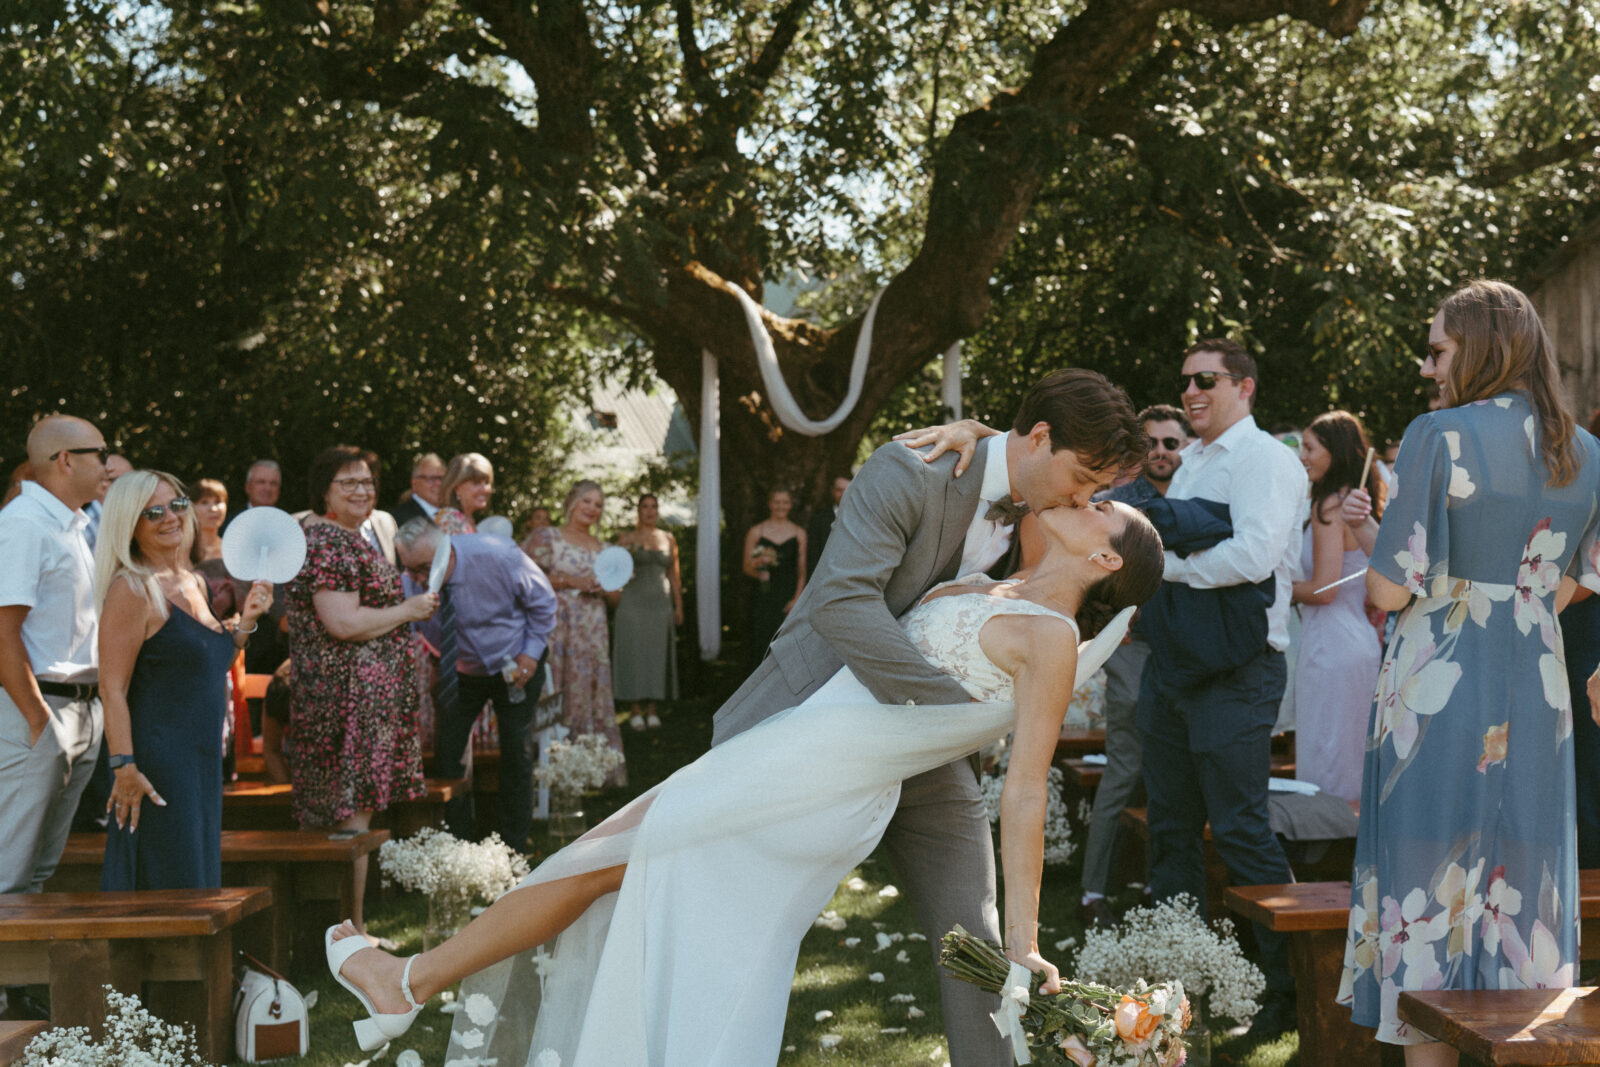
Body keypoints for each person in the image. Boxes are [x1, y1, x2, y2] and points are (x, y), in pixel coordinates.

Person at [325, 499, 1165, 1063]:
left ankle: (411, 978)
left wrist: (1022, 941)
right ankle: (410, 981)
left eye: (1103, 508)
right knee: (645, 898)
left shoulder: (1052, 636)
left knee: (607, 864)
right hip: (786, 754)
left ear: (1101, 556)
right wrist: (959, 436)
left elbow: (1020, 790)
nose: (1085, 495)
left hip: (817, 786)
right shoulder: (987, 584)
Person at [1335, 281, 1600, 1060]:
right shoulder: (1588, 452)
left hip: (1439, 674)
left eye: (1439, 349)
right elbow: (1584, 577)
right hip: (1535, 667)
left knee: (1428, 863)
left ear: (1480, 348)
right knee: (1526, 862)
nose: (1428, 367)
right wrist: (1524, 596)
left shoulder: (1437, 435)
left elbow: (1386, 587)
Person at [1135, 338, 1307, 1036]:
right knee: (1170, 830)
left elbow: (1256, 553)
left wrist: (1165, 568)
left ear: (1245, 386)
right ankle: (1183, 994)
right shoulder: (1196, 460)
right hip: (1176, 664)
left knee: (1239, 829)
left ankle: (1289, 990)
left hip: (1239, 670)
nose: (1192, 392)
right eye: (1184, 382)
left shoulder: (1266, 460)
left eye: (1206, 379)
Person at [286, 446, 438, 936]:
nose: (362, 491)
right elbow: (344, 623)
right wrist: (408, 610)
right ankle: (347, 931)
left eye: (368, 482)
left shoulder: (353, 538)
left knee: (348, 815)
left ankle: (335, 928)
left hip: (359, 699)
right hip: (343, 701)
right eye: (348, 483)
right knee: (347, 817)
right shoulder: (329, 542)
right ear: (324, 492)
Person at [95, 472, 273, 889]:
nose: (170, 517)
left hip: (202, 758)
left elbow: (212, 661)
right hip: (157, 763)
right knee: (167, 878)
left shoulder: (193, 581)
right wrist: (124, 767)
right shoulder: (133, 588)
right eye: (152, 512)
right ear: (130, 525)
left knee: (196, 873)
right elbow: (112, 688)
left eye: (176, 504)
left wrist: (246, 621)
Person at [1078, 403, 1188, 929]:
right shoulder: (1118, 505)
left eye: (1173, 443)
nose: (1164, 452)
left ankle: (1156, 887)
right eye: (1155, 444)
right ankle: (1093, 892)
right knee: (1125, 769)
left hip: (1185, 654)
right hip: (1132, 648)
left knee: (1168, 777)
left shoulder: (1196, 496)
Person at [395, 519, 557, 853]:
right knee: (449, 752)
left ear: (447, 549)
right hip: (461, 668)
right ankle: (457, 844)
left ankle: (514, 844)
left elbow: (544, 603)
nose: (420, 578)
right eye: (411, 570)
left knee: (517, 749)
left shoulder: (497, 555)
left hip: (515, 663)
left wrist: (530, 654)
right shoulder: (412, 581)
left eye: (425, 568)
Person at [0, 416, 108, 894]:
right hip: (40, 709)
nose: (107, 464)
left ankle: (22, 972)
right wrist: (38, 719)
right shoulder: (24, 525)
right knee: (9, 870)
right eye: (99, 453)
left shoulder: (69, 524)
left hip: (79, 708)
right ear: (65, 460)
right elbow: (3, 629)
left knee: (38, 869)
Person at [1288, 411, 1384, 802]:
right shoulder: (1355, 504)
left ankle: (1326, 849)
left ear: (1335, 451)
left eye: (1310, 448)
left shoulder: (1330, 506)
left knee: (1328, 755)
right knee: (1347, 754)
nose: (1302, 457)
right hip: (1355, 639)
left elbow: (1324, 590)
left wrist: (1278, 587)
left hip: (1331, 644)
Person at [528, 480, 625, 782]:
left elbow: (617, 599)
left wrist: (604, 587)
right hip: (557, 628)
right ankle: (548, 765)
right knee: (556, 685)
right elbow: (525, 577)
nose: (592, 509)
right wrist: (571, 581)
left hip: (592, 630)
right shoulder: (548, 538)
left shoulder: (606, 550)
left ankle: (590, 767)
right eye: (587, 501)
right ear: (572, 502)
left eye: (598, 505)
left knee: (589, 688)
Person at [611, 494, 683, 730]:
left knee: (656, 653)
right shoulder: (627, 538)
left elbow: (673, 574)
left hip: (659, 603)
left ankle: (652, 709)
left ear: (658, 510)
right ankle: (634, 710)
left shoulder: (668, 538)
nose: (650, 511)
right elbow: (614, 570)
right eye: (645, 507)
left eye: (654, 507)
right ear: (638, 511)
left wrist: (678, 605)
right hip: (632, 601)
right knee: (633, 652)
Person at [742, 488, 806, 670]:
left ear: (790, 505)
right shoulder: (756, 531)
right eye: (777, 502)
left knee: (787, 644)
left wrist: (796, 600)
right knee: (761, 640)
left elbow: (802, 571)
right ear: (770, 504)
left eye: (785, 502)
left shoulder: (799, 533)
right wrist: (758, 571)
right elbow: (746, 566)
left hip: (788, 594)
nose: (781, 506)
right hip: (763, 594)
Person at [435, 452, 494, 535]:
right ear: (456, 488)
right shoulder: (449, 519)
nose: (485, 489)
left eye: (487, 482)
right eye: (476, 483)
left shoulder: (467, 519)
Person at [806, 473, 852, 577]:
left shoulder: (862, 519)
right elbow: (813, 556)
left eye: (847, 489)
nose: (843, 494)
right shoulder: (818, 520)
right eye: (839, 490)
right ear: (832, 491)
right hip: (825, 579)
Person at [221, 459, 281, 533]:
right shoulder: (228, 523)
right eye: (261, 482)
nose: (268, 488)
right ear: (248, 487)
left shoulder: (288, 524)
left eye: (273, 483)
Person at [392, 453, 445, 528]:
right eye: (431, 478)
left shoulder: (456, 515)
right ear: (414, 483)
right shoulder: (397, 520)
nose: (439, 483)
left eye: (442, 478)